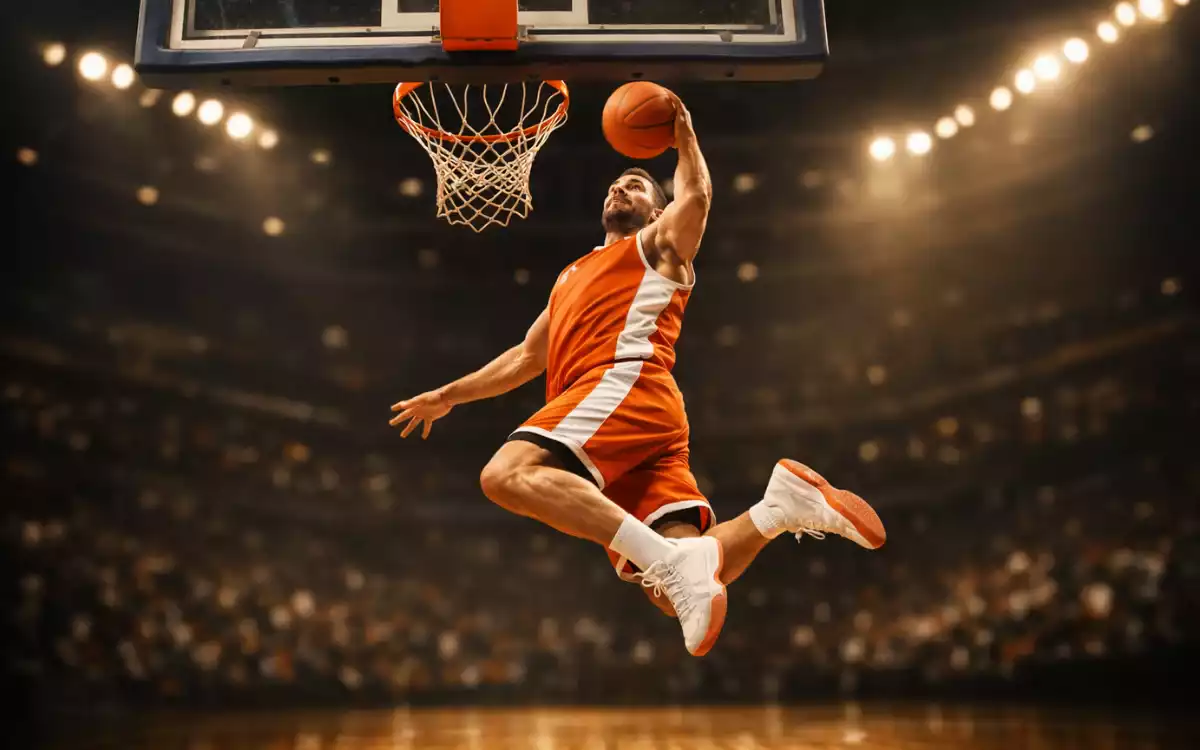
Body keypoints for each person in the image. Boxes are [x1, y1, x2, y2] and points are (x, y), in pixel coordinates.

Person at [389, 94, 886, 656]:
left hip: (624, 385)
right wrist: (448, 395)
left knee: (504, 475)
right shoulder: (571, 274)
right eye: (614, 185)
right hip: (633, 423)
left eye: (635, 185)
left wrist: (684, 136)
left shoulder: (656, 246)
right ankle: (779, 509)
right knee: (669, 594)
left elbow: (695, 195)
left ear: (656, 211)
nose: (617, 189)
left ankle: (673, 559)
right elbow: (527, 358)